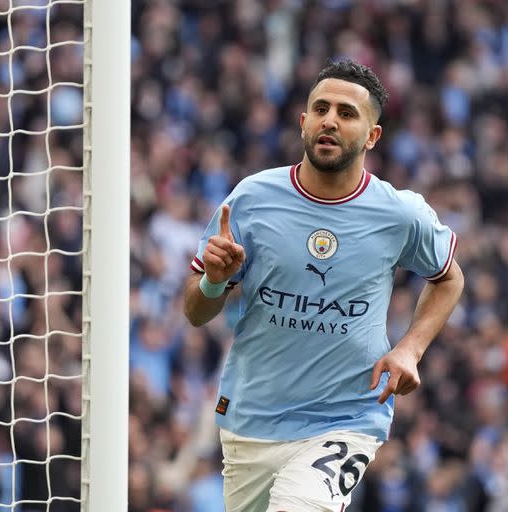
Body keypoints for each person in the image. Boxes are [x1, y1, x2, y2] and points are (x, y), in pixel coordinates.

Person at [183, 59, 464, 511]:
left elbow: (449, 277)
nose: (330, 120)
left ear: (372, 135)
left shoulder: (399, 214)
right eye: (320, 108)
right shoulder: (252, 200)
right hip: (251, 419)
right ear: (303, 122)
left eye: (347, 113)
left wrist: (411, 347)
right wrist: (215, 282)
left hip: (346, 418)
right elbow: (195, 312)